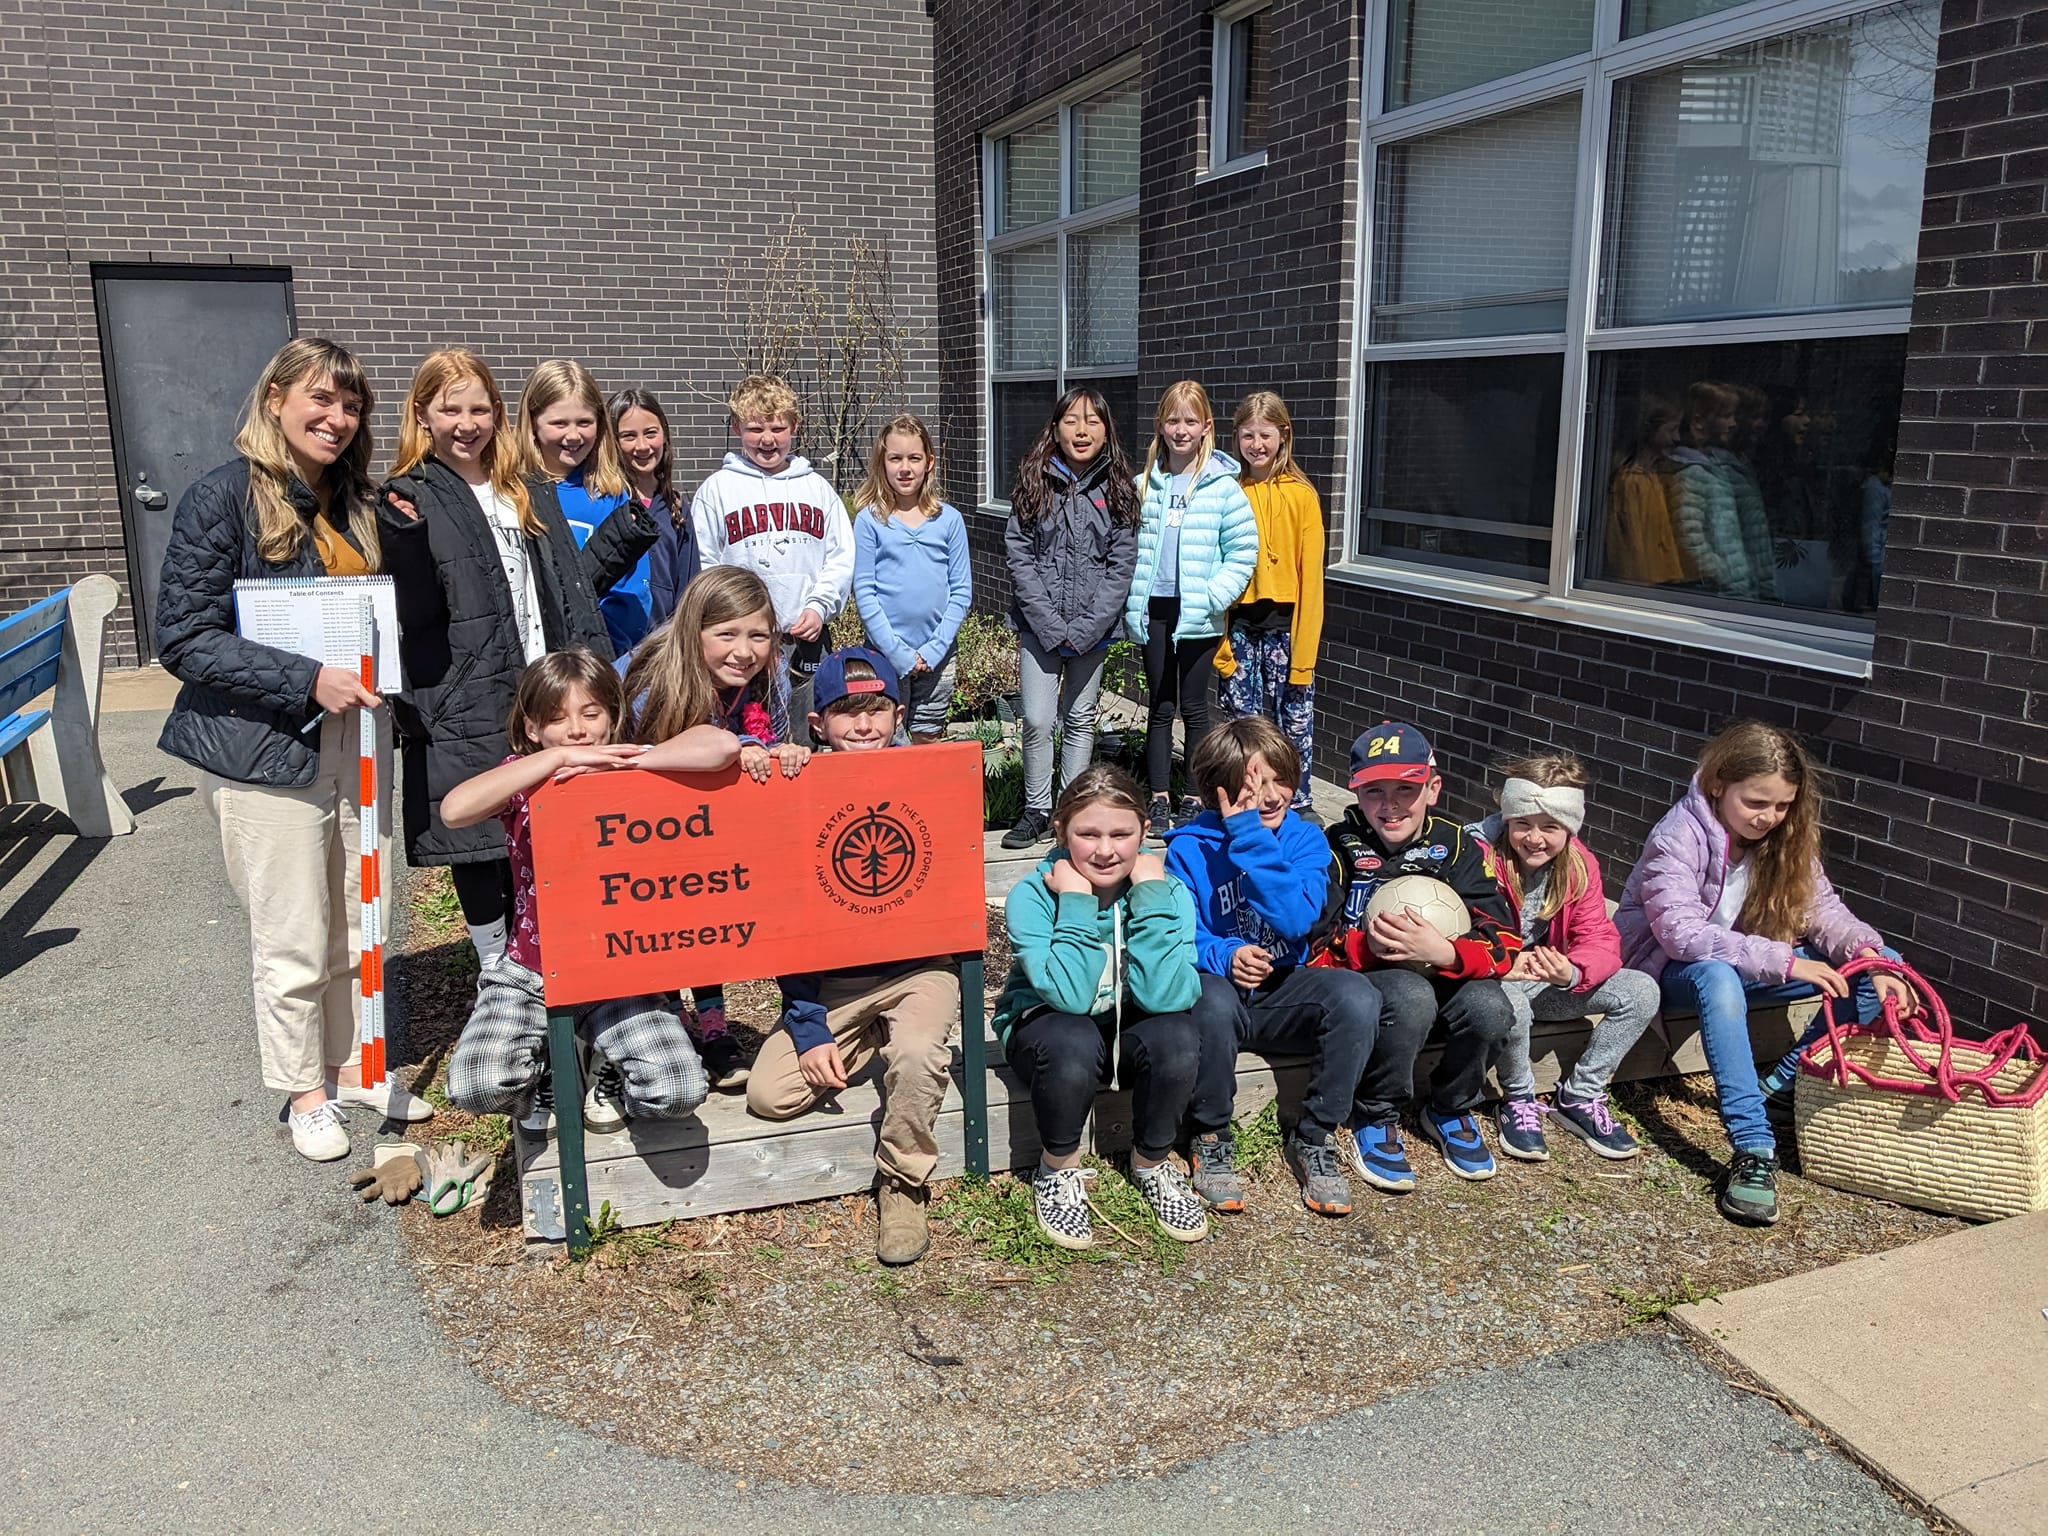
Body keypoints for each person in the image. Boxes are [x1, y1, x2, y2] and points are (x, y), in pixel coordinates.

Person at [157, 337, 428, 1160]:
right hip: (264, 747)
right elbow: (183, 637)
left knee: (358, 911)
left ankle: (351, 1067)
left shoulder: (355, 501)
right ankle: (303, 1090)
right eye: (320, 399)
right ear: (275, 399)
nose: (337, 419)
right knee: (293, 930)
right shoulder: (222, 501)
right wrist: (306, 680)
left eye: (350, 406)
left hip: (360, 740)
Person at [380, 350, 657, 972]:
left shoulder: (522, 487)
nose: (467, 422)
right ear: (422, 413)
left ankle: (561, 959)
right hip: (468, 690)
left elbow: (566, 583)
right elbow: (415, 610)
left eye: (480, 408)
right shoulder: (409, 496)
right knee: (481, 843)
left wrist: (626, 532)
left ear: (499, 414)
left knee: (556, 824)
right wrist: (401, 543)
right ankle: (495, 973)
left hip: (545, 685)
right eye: (450, 409)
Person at [1615, 720, 1911, 1227]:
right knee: (1718, 976)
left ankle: (1782, 1084)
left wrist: (1874, 957)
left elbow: (1826, 912)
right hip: (1671, 971)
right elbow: (1681, 933)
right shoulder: (1678, 835)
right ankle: (1752, 1146)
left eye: (1781, 806)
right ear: (1717, 784)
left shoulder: (1786, 839)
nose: (1770, 817)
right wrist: (1787, 960)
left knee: (1885, 965)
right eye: (1757, 802)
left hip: (1752, 965)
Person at [744, 648, 962, 1264]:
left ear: (899, 714)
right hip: (836, 982)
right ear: (818, 724)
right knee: (769, 1094)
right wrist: (809, 1027)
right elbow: (787, 925)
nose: (863, 725)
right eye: (846, 711)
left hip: (918, 969)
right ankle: (862, 1036)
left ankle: (902, 1183)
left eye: (876, 710)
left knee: (918, 1053)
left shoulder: (928, 779)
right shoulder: (798, 787)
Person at [441, 650, 709, 1134]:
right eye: (557, 719)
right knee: (478, 1084)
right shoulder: (526, 776)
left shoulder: (629, 767)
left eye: (591, 714)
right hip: (531, 967)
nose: (578, 730)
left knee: (677, 1091)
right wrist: (558, 758)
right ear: (531, 728)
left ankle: (611, 1069)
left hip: (619, 967)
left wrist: (635, 763)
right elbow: (455, 810)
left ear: (613, 715)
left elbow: (719, 747)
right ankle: (545, 1071)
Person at [1169, 719, 1382, 1218]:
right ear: (1214, 789)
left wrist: (1250, 839)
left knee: (1357, 996)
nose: (1268, 797)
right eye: (1249, 787)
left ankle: (1315, 1137)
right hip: (1218, 993)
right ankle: (1212, 1135)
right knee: (1211, 997)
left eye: (1277, 780)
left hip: (1282, 988)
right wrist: (1224, 955)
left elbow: (1296, 919)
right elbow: (1179, 936)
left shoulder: (1305, 840)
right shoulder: (1188, 847)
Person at [994, 763, 1209, 1250]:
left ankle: (1152, 1163)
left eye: (1122, 833)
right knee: (1072, 1037)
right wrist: (1076, 900)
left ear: (1145, 832)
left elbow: (1167, 997)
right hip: (1050, 1031)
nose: (1106, 849)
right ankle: (1057, 1168)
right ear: (1060, 831)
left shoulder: (1168, 892)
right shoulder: (1034, 894)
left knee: (1177, 1035)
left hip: (1129, 1023)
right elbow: (1068, 996)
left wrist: (1151, 896)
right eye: (1087, 834)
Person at [622, 565, 808, 1089]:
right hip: (641, 825)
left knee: (704, 917)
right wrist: (739, 749)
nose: (744, 651)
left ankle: (712, 1028)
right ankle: (665, 1017)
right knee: (661, 925)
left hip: (703, 825)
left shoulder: (760, 682)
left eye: (758, 635)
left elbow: (759, 742)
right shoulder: (650, 684)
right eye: (726, 634)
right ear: (694, 632)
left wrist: (776, 751)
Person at [1310, 721, 1520, 1186]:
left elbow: (1505, 940)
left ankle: (1450, 1107)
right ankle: (1376, 1113)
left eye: (1406, 789)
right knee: (1408, 994)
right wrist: (1367, 947)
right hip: (1373, 982)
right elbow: (1313, 948)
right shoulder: (1335, 847)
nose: (1390, 804)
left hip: (1448, 974)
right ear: (1356, 793)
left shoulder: (1459, 847)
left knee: (1491, 1008)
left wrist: (1445, 952)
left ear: (1433, 788)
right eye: (1374, 791)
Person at [1465, 754, 1660, 1163]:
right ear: (1507, 819)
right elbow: (1457, 931)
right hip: (1490, 978)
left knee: (1641, 990)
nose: (1535, 839)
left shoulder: (1579, 864)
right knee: (1511, 1002)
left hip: (1545, 979)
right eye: (1523, 824)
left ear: (1569, 828)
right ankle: (1517, 1099)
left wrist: (1573, 971)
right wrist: (1504, 964)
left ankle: (1581, 1094)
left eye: (1550, 827)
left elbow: (1599, 936)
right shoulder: (1474, 854)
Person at [1000, 386, 1141, 850]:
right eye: (1071, 421)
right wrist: (1047, 623)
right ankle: (1037, 809)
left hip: (1092, 631)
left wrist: (1085, 628)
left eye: (1092, 422)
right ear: (1055, 428)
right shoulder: (1034, 480)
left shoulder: (1118, 488)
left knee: (1079, 719)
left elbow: (1121, 566)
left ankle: (1070, 810)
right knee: (1039, 720)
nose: (1081, 431)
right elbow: (1019, 555)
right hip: (1038, 626)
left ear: (1107, 430)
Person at [1125, 380, 1258, 838]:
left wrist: (1212, 597)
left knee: (1196, 709)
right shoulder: (1145, 484)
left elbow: (1243, 552)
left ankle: (1196, 794)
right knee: (1160, 707)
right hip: (1155, 610)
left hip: (1198, 614)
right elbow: (1127, 548)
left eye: (1190, 421)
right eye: (1173, 420)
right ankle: (1159, 796)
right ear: (1161, 426)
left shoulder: (1223, 486)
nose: (1181, 430)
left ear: (1206, 428)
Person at [690, 374, 854, 730]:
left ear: (794, 427)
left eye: (778, 428)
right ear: (736, 428)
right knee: (750, 736)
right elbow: (705, 565)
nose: (767, 440)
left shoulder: (817, 489)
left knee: (810, 731)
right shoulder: (717, 490)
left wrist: (819, 606)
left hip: (805, 637)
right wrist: (726, 626)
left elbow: (840, 557)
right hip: (742, 644)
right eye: (754, 429)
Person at [1216, 392, 1325, 817]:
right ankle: (1244, 801)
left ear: (1283, 436)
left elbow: (1312, 581)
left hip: (1286, 631)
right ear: (1236, 437)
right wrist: (1221, 646)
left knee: (1293, 722)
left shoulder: (1301, 496)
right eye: (1247, 435)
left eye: (1265, 435)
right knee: (1241, 724)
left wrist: (1305, 656)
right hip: (1240, 627)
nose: (1256, 445)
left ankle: (1297, 803)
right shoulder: (1227, 490)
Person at [509, 360, 652, 654]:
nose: (573, 435)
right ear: (533, 422)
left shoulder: (610, 495)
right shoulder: (510, 493)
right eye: (559, 423)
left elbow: (632, 593)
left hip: (597, 657)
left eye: (584, 423)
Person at [850, 414, 972, 744]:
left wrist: (935, 648)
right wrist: (897, 652)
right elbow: (865, 591)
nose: (905, 468)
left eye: (914, 458)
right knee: (887, 737)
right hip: (885, 653)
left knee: (926, 738)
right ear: (882, 462)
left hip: (939, 654)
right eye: (895, 458)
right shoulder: (870, 521)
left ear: (929, 463)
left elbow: (961, 591)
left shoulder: (949, 520)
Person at [1668, 381, 1776, 603]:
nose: (1733, 423)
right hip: (1722, 593)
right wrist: (1725, 573)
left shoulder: (1723, 466)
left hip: (1743, 587)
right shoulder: (1692, 471)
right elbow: (1690, 536)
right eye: (1726, 416)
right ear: (1699, 421)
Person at [613, 388, 699, 634]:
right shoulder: (605, 502)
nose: (642, 446)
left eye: (650, 433)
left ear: (664, 435)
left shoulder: (677, 508)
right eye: (628, 436)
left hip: (663, 646)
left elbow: (688, 588)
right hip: (614, 645)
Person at [1602, 397, 1690, 587]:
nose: (1677, 438)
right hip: (1645, 585)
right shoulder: (1632, 481)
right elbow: (1633, 543)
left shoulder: (1656, 475)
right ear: (1649, 431)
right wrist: (1642, 585)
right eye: (1671, 430)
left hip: (1662, 580)